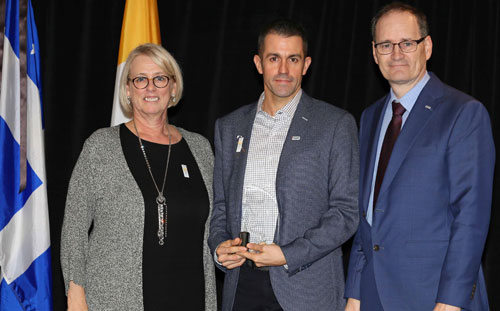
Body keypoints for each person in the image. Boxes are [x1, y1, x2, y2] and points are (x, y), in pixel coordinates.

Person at [345, 3, 495, 311]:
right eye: (386, 45)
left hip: (433, 297)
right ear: (374, 54)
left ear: (426, 47)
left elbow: (471, 218)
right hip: (372, 294)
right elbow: (367, 215)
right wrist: (355, 292)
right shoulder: (369, 118)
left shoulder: (463, 113)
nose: (396, 53)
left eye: (407, 43)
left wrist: (450, 301)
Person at [208, 19, 359, 311]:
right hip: (242, 287)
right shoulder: (229, 127)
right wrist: (219, 247)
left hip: (306, 289)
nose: (283, 70)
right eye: (274, 58)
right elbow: (221, 208)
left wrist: (288, 254)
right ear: (258, 63)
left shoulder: (335, 124)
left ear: (306, 64)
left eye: (293, 59)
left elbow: (345, 213)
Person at [60, 43, 217, 310]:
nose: (151, 87)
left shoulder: (200, 149)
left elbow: (215, 224)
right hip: (118, 300)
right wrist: (75, 295)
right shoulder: (101, 147)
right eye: (141, 80)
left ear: (174, 88)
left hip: (191, 298)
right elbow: (74, 228)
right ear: (128, 90)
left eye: (160, 78)